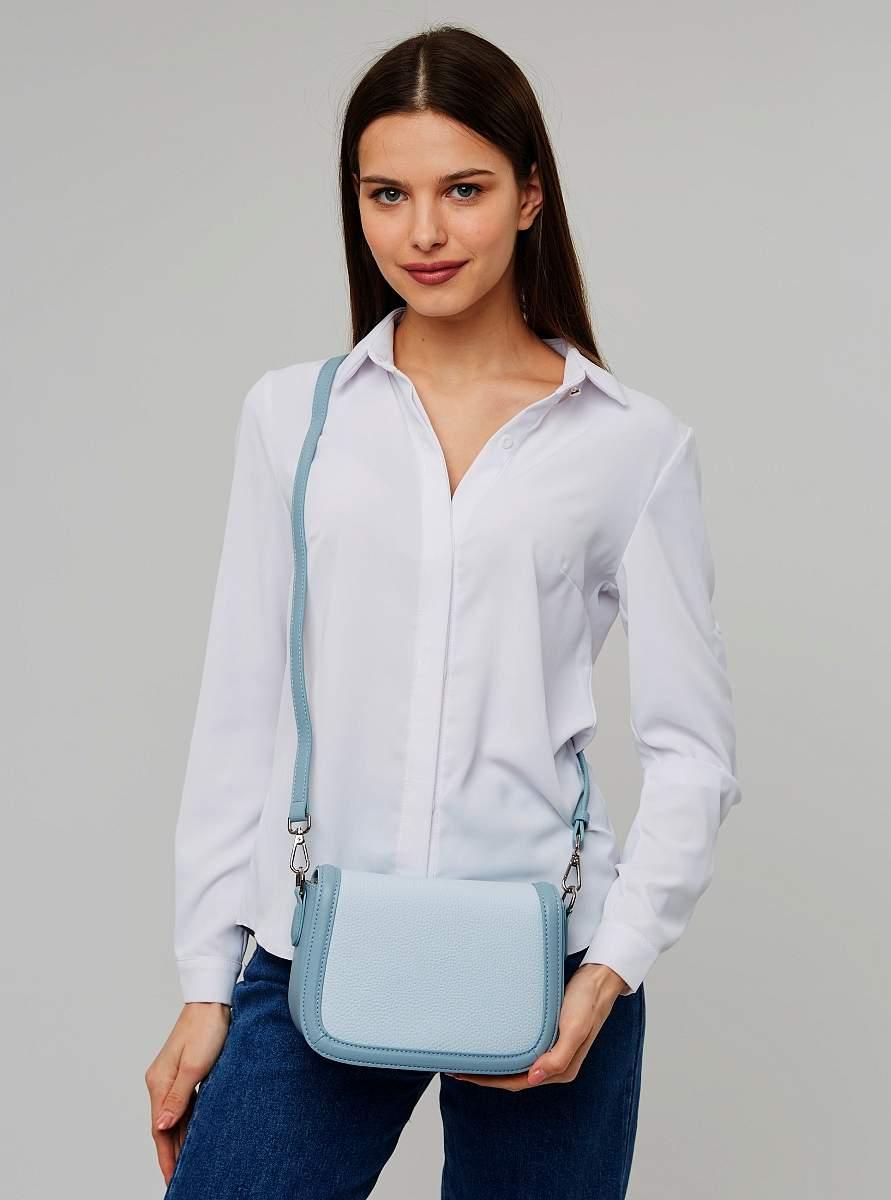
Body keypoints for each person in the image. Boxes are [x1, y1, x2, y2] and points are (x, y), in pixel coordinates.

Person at [145, 23, 741, 1199]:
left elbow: (695, 750)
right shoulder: (293, 418)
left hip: (551, 964)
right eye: (388, 194)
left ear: (530, 195)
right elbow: (239, 709)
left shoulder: (631, 444)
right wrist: (207, 983)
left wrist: (610, 971)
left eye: (463, 189)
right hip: (313, 947)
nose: (422, 231)